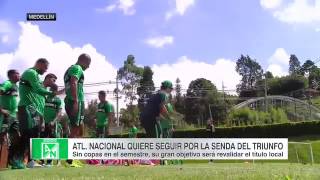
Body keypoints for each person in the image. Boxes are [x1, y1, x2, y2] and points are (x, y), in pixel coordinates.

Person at [17, 58, 60, 168]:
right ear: (39, 64)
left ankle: (31, 161)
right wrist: (54, 92)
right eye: (45, 68)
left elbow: (39, 98)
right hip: (27, 108)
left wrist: (41, 118)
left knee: (34, 136)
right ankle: (19, 161)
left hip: (35, 112)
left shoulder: (36, 79)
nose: (45, 70)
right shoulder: (32, 74)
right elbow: (38, 89)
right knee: (27, 135)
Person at [64, 53, 91, 167]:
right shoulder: (77, 68)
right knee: (75, 130)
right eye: (88, 64)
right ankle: (70, 160)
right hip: (76, 101)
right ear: (83, 61)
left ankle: (71, 158)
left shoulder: (68, 69)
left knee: (78, 130)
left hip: (70, 100)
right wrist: (76, 101)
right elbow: (73, 82)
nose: (88, 67)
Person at [0, 69, 21, 169]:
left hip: (14, 116)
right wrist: (2, 110)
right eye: (17, 73)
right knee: (2, 136)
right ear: (11, 75)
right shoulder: (7, 83)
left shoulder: (16, 87)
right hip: (5, 116)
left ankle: (13, 162)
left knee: (17, 137)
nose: (19, 75)